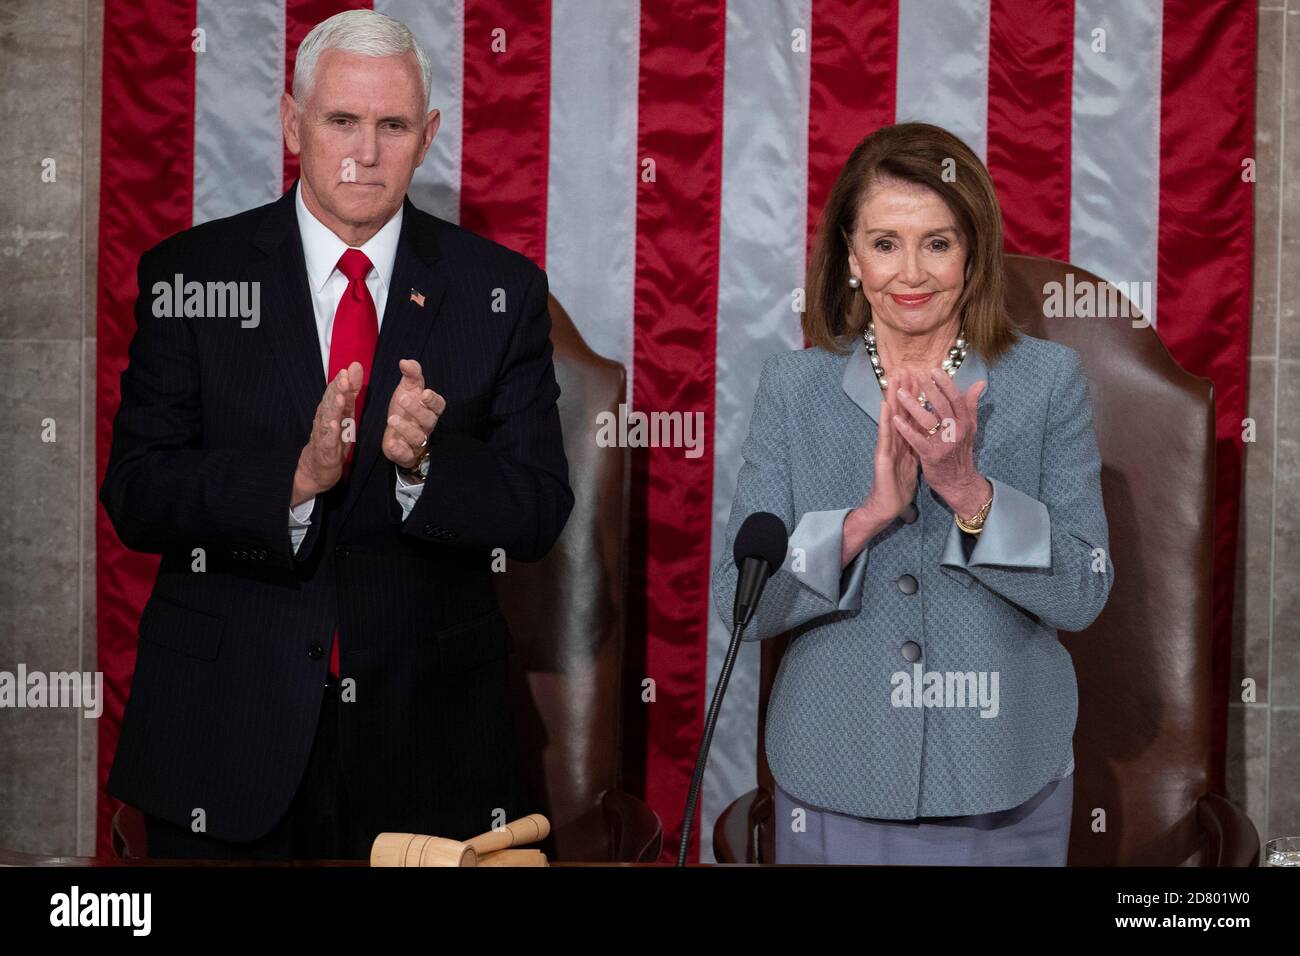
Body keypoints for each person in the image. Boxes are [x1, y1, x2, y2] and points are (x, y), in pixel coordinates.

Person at [100, 10, 573, 860]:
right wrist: (293, 478)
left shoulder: (498, 291)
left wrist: (425, 469)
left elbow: (538, 509)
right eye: (341, 120)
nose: (366, 149)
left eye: (393, 125)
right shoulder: (191, 277)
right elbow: (137, 492)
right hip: (225, 740)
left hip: (431, 751)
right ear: (292, 124)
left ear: (428, 137)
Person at [712, 122, 1113, 865]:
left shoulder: (1046, 382)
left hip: (1005, 779)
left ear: (972, 251)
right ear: (851, 256)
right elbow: (745, 600)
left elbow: (1085, 591)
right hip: (833, 775)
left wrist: (970, 495)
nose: (911, 273)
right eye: (885, 242)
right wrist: (865, 520)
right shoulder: (793, 389)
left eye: (938, 242)